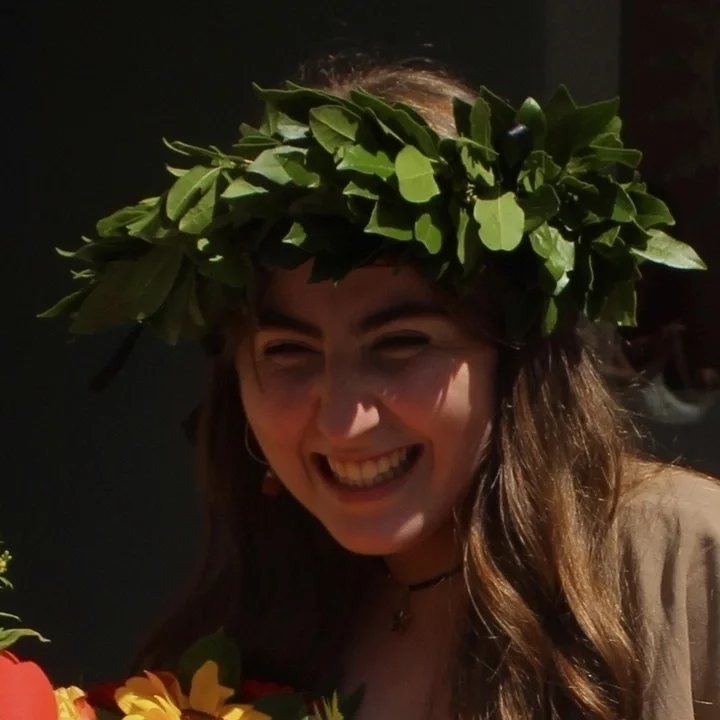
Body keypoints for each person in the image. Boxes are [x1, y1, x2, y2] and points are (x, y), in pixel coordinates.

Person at [45, 63, 720, 719]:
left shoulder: (686, 559)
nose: (344, 421)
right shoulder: (240, 636)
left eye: (400, 344)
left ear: (516, 361)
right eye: (288, 352)